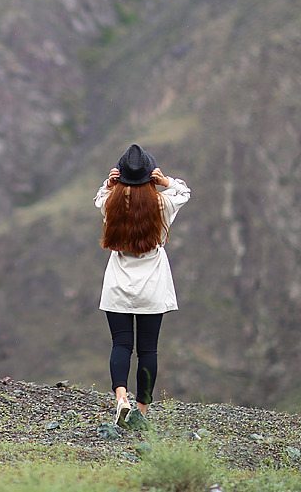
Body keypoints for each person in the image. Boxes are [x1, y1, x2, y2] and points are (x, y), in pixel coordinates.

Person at [94, 144, 190, 427]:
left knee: (121, 344)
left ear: (120, 176)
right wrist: (165, 182)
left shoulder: (111, 202)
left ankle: (121, 398)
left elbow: (100, 197)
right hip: (153, 284)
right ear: (150, 175)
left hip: (118, 283)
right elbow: (184, 192)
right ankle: (142, 411)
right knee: (149, 350)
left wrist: (110, 183)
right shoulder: (162, 203)